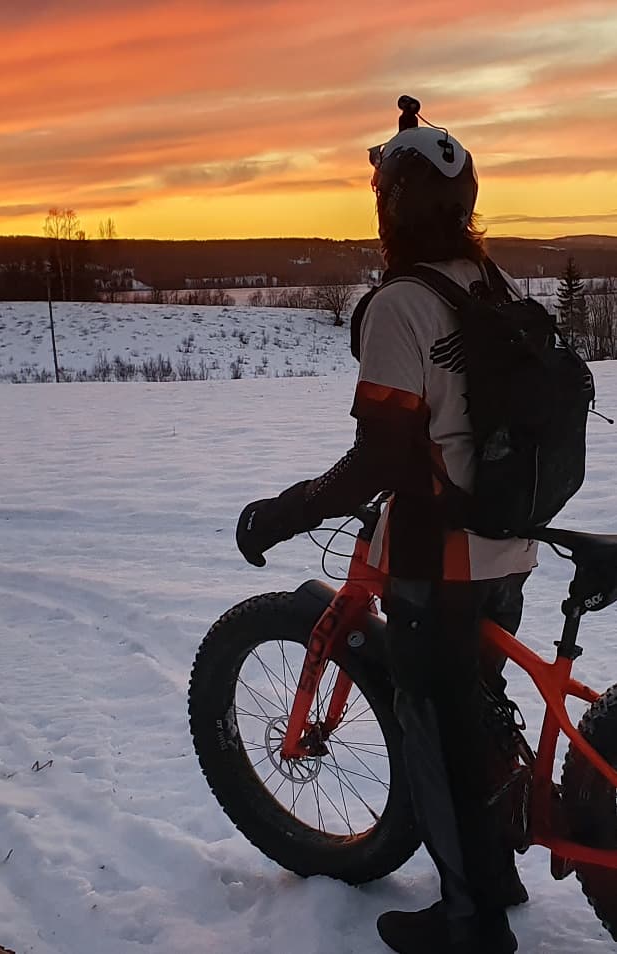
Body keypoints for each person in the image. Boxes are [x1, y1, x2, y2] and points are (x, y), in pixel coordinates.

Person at [235, 97, 535, 954]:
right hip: (506, 542)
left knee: (430, 719)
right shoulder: (488, 282)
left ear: (391, 209)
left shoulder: (402, 304)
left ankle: (469, 920)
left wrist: (284, 512)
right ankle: (496, 873)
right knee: (475, 705)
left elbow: (378, 460)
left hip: (438, 555)